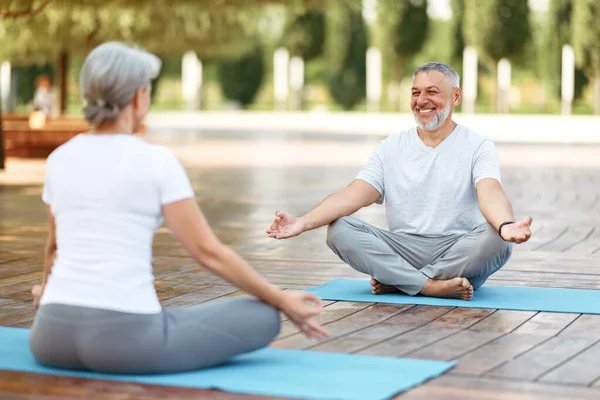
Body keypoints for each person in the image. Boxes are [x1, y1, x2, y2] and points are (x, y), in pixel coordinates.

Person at [29, 42, 328, 375]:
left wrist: (46, 296)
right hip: (124, 344)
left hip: (50, 337)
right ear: (137, 97)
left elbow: (53, 248)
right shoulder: (156, 162)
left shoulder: (60, 159)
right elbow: (206, 251)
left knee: (175, 318)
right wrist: (281, 299)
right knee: (262, 316)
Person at [266, 62, 533, 301]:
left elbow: (491, 193)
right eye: (416, 93)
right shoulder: (391, 147)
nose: (421, 100)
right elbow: (353, 194)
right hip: (403, 248)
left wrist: (506, 225)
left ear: (456, 96)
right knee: (339, 229)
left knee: (497, 240)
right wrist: (302, 222)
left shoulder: (478, 145)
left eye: (432, 92)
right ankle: (429, 285)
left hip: (458, 249)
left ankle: (400, 282)